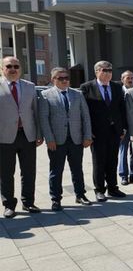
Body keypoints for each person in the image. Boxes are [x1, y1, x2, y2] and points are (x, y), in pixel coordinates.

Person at [39, 67, 93, 210]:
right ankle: (56, 199)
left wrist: (87, 135)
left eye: (66, 78)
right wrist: (49, 139)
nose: (64, 80)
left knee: (77, 169)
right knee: (56, 170)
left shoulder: (78, 94)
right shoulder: (45, 95)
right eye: (60, 78)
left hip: (76, 139)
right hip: (56, 141)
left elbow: (85, 117)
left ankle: (80, 195)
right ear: (53, 80)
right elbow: (43, 119)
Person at [0, 56, 43, 218]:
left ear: (20, 68)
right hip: (4, 137)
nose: (13, 69)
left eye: (16, 66)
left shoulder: (30, 87)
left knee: (29, 171)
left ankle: (28, 202)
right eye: (9, 66)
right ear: (2, 69)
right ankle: (9, 205)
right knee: (6, 173)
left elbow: (36, 112)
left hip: (27, 135)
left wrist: (39, 134)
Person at [80, 61, 127, 202]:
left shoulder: (117, 87)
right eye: (104, 70)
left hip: (115, 131)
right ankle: (99, 190)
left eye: (110, 70)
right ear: (97, 71)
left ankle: (113, 187)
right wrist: (87, 131)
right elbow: (83, 112)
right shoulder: (87, 88)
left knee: (113, 160)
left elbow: (122, 109)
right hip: (97, 132)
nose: (108, 73)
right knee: (99, 162)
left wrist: (123, 128)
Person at [118, 70, 133, 186]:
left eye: (132, 77)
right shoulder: (118, 92)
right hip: (123, 128)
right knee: (123, 150)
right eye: (128, 78)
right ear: (122, 79)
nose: (130, 80)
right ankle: (123, 175)